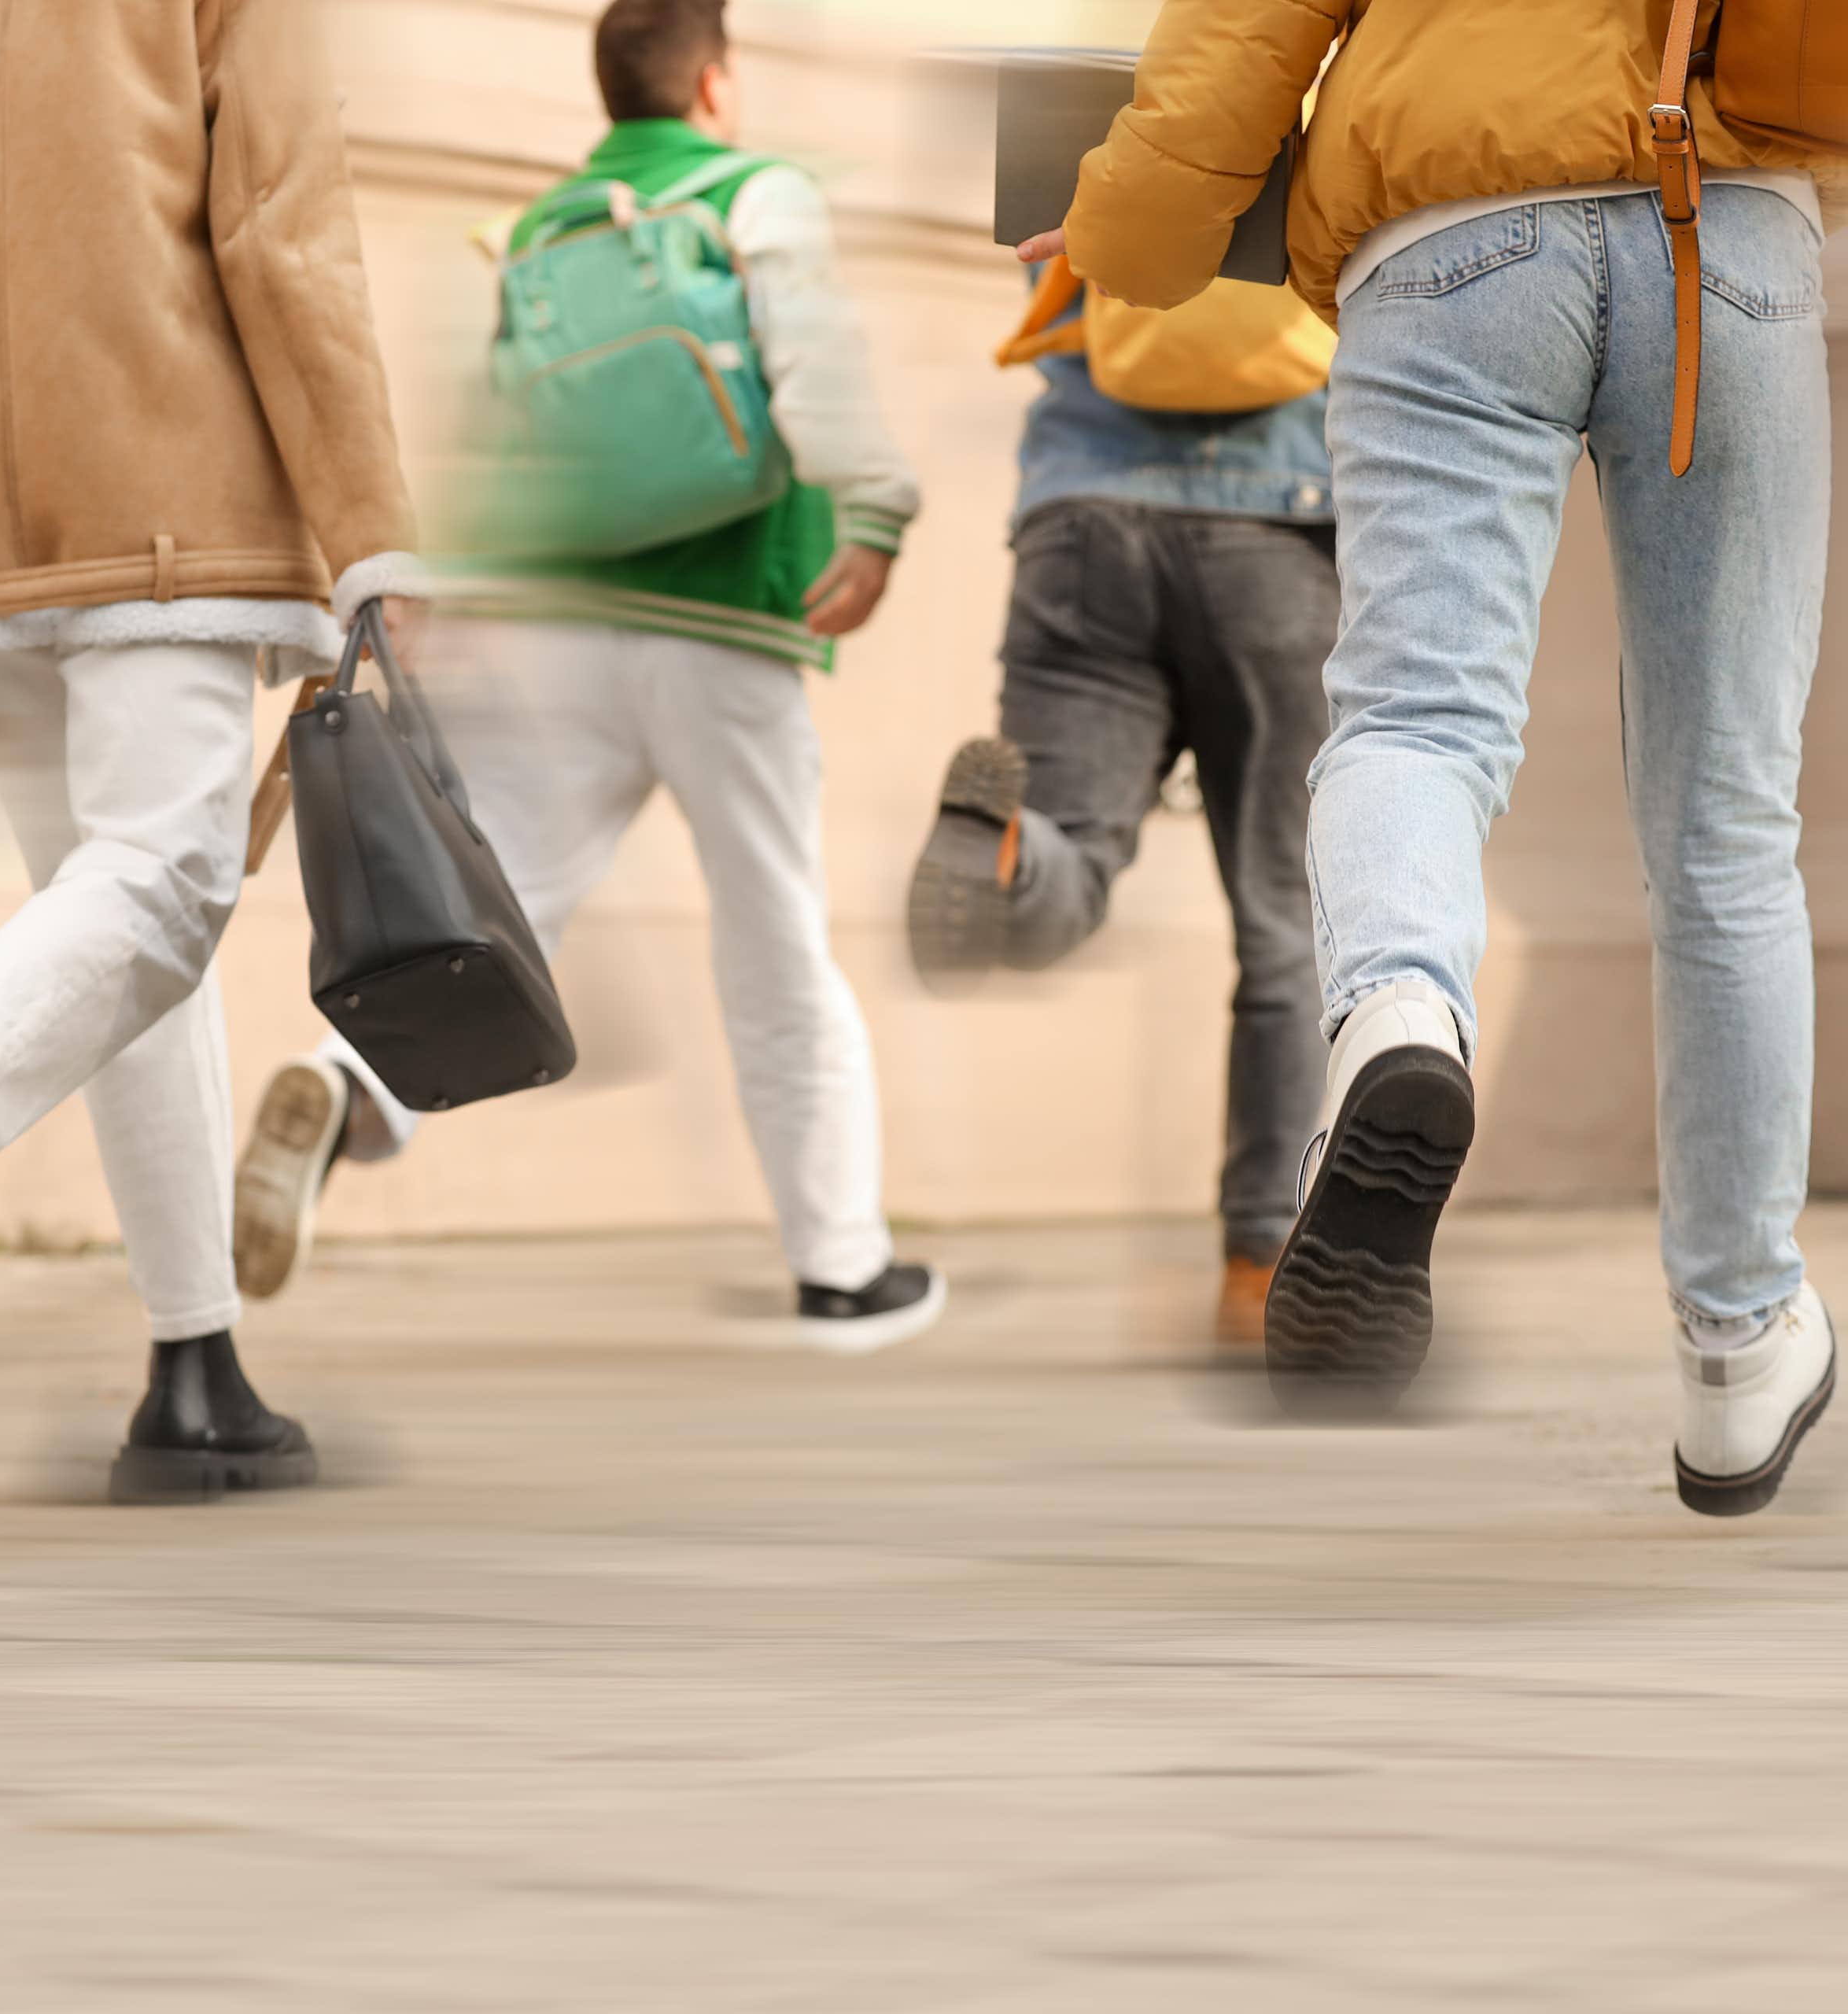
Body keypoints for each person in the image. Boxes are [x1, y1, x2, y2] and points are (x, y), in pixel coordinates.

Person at [1035, 0, 1845, 1511]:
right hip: (1731, 224)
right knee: (1728, 819)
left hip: (1451, 227)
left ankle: (1399, 1021)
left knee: (1417, 716)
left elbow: (1248, 22)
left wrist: (1126, 229)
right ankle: (1738, 1351)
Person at [232, 0, 946, 1352]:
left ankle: (345, 1090)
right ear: (717, 84)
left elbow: (505, 435)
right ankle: (844, 1268)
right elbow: (814, 365)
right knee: (774, 937)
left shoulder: (542, 226)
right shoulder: (754, 192)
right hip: (729, 625)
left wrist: (456, 595)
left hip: (564, 628)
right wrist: (875, 513)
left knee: (500, 909)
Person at [0, 0, 422, 1500]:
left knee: (103, 939)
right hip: (160, 499)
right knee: (163, 886)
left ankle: (196, 1374)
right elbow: (287, 229)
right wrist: (373, 542)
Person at [909, 256, 1338, 1347]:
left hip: (1084, 508)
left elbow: (1037, 268)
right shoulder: (1313, 81)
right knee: (1285, 924)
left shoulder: (1068, 83)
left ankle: (1010, 849)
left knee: (1078, 855)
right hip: (1279, 519)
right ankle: (1259, 1266)